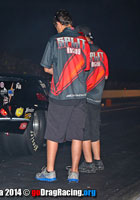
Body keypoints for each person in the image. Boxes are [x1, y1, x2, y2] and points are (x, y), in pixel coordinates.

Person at [35, 9, 90, 183]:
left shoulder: (54, 40)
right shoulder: (83, 41)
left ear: (58, 24)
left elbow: (46, 68)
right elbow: (85, 68)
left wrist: (58, 72)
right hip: (80, 95)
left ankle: (50, 171)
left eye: (56, 26)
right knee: (77, 135)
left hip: (60, 95)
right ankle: (74, 172)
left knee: (53, 134)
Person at [75, 26, 109, 173]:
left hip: (84, 97)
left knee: (84, 132)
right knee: (95, 130)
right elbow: (106, 76)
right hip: (97, 98)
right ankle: (98, 160)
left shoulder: (83, 52)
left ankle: (89, 164)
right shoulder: (102, 53)